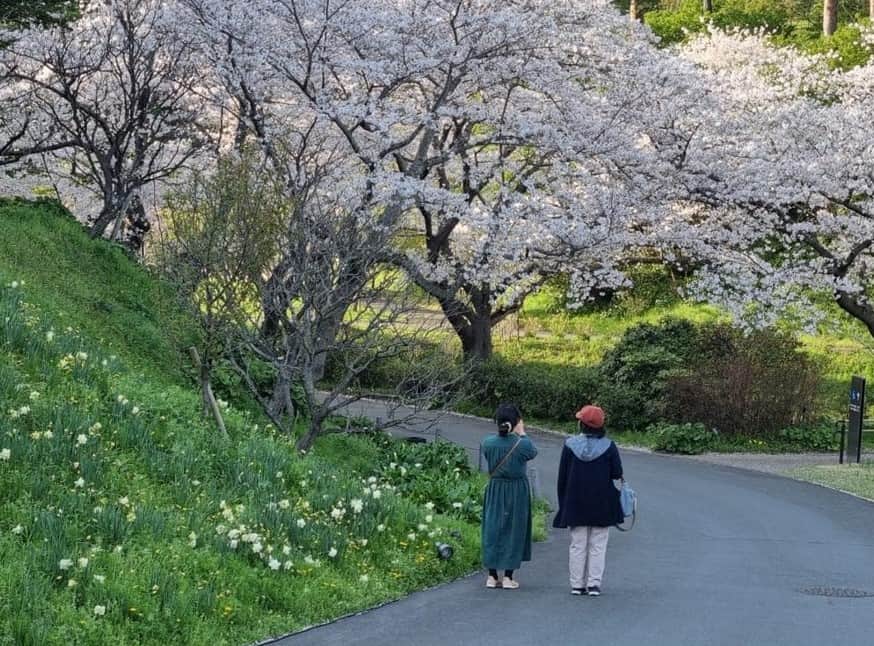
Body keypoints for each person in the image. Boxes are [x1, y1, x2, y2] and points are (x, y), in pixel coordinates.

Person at [553, 404, 623, 597]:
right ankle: (594, 584)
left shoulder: (569, 445)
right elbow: (617, 473)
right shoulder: (609, 446)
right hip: (602, 503)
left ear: (582, 424)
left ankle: (577, 585)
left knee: (577, 544)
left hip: (575, 502)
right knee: (598, 544)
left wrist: (563, 503)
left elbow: (562, 477)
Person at [480, 403, 538, 590]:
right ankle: (508, 577)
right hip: (516, 490)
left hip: (495, 488)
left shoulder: (487, 442)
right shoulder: (522, 444)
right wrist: (522, 432)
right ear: (516, 422)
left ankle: (491, 575)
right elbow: (532, 452)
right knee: (515, 529)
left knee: (493, 527)